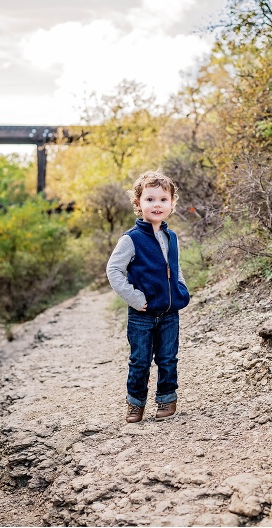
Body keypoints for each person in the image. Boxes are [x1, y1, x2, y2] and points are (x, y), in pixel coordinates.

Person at [107, 170, 191, 423]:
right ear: (138, 203)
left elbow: (175, 268)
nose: (157, 205)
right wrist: (135, 298)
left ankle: (166, 399)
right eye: (150, 199)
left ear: (172, 204)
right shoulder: (131, 239)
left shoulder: (171, 236)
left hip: (169, 313)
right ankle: (135, 404)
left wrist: (181, 290)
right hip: (142, 315)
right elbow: (114, 270)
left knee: (167, 358)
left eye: (163, 200)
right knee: (140, 361)